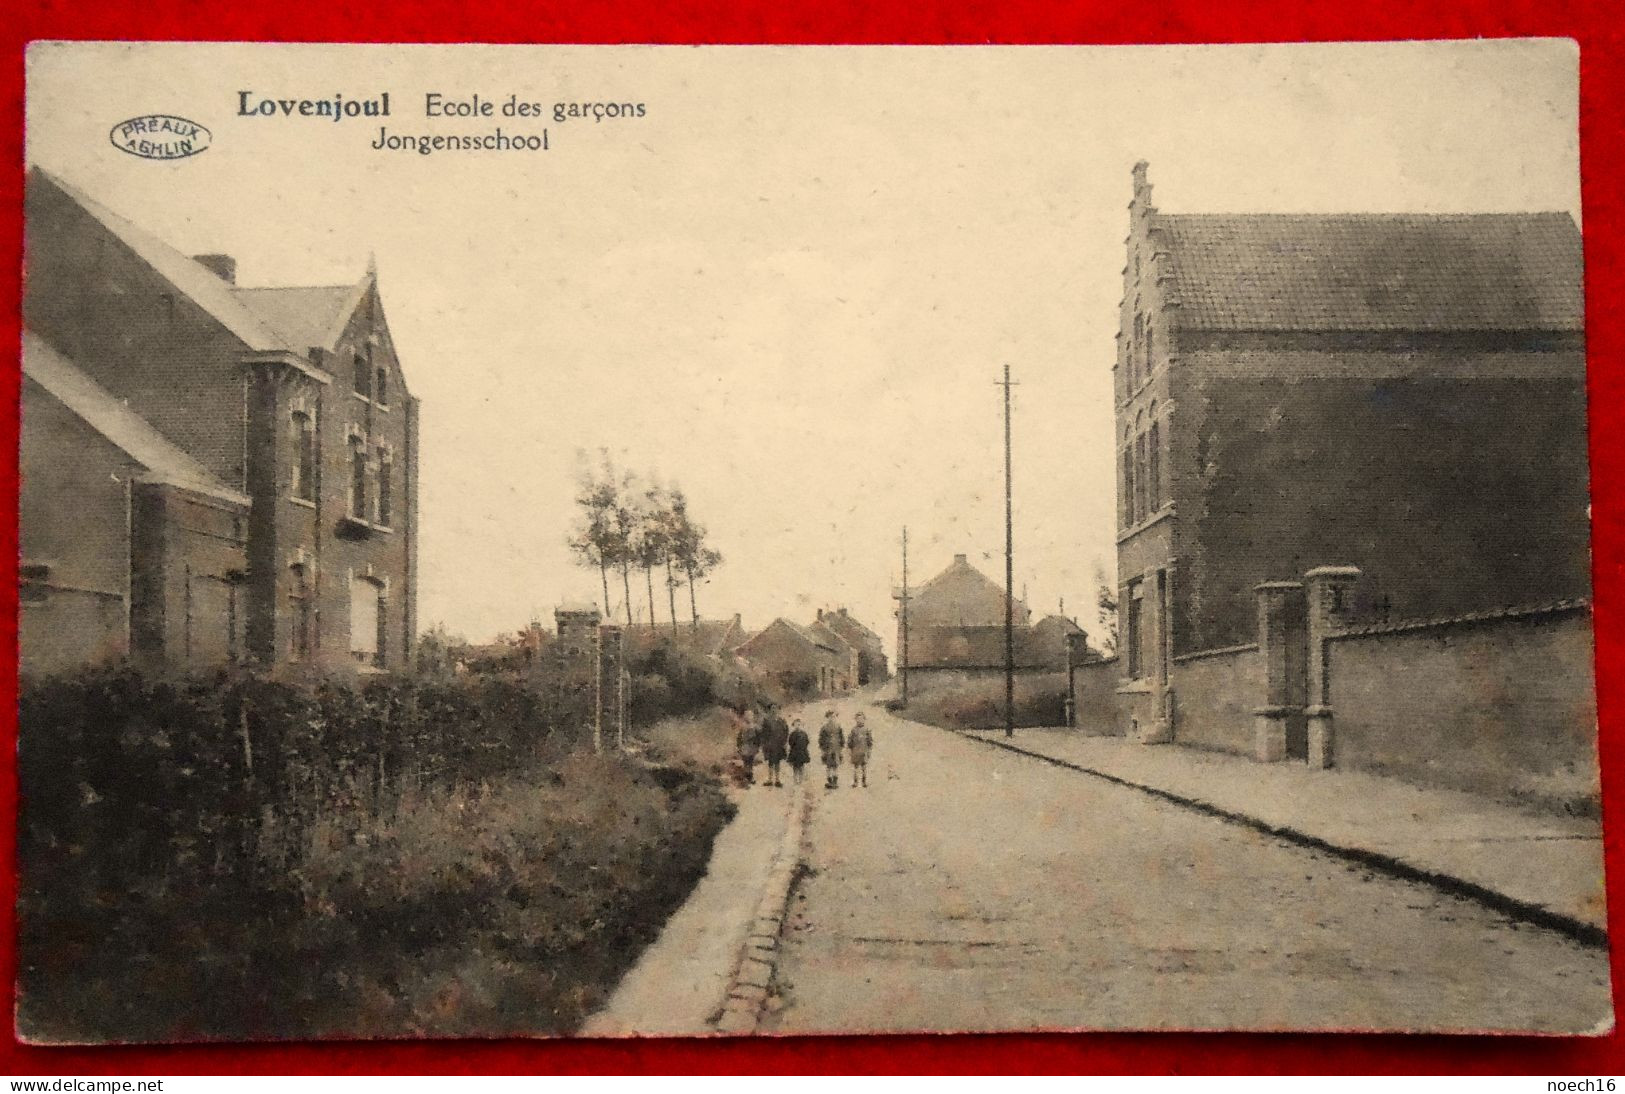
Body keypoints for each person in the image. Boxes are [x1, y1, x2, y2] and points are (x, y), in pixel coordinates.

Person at [760, 704, 790, 788]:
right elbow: (763, 734)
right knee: (770, 762)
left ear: (778, 710)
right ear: (770, 710)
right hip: (770, 745)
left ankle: (777, 779)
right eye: (772, 708)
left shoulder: (782, 721)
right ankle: (770, 779)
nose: (774, 710)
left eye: (776, 709)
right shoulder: (767, 721)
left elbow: (786, 731)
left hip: (779, 745)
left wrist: (784, 742)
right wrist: (764, 744)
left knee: (777, 762)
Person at [817, 709, 845, 790]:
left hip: (836, 749)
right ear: (827, 717)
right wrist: (822, 749)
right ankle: (829, 781)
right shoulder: (824, 727)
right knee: (828, 766)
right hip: (827, 749)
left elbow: (842, 738)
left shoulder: (838, 726)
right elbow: (821, 739)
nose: (832, 718)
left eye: (833, 716)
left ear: (836, 717)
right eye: (830, 717)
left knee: (836, 766)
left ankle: (835, 781)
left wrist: (841, 747)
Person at [848, 711, 873, 788]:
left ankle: (864, 782)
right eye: (858, 719)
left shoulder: (867, 730)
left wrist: (869, 751)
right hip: (855, 751)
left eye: (861, 719)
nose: (859, 720)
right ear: (856, 720)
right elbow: (850, 741)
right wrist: (850, 750)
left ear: (864, 719)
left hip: (864, 751)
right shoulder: (853, 730)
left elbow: (870, 741)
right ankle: (855, 782)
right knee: (856, 767)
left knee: (864, 767)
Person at [736, 707, 761, 786]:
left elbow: (758, 738)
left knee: (750, 762)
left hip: (752, 747)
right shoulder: (742, 727)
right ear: (744, 717)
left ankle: (750, 777)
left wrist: (757, 746)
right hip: (745, 747)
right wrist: (739, 746)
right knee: (746, 762)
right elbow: (739, 738)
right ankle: (746, 778)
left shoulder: (755, 727)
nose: (749, 717)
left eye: (751, 715)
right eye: (747, 715)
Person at [787, 718, 811, 785]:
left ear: (801, 725)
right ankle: (795, 780)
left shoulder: (804, 734)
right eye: (796, 725)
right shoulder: (792, 734)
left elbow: (807, 742)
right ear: (794, 725)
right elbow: (790, 742)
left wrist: (803, 748)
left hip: (802, 752)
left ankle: (801, 780)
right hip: (794, 752)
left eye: (799, 724)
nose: (797, 726)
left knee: (801, 766)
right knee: (795, 767)